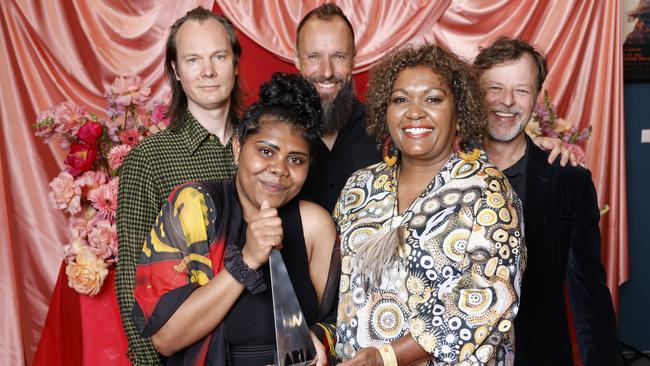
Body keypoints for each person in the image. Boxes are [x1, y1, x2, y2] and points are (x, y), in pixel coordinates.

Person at [334, 44, 526, 365]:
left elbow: (485, 300)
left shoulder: (488, 193)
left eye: (433, 99)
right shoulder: (359, 187)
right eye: (400, 99)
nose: (414, 111)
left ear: (460, 112)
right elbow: (339, 292)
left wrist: (385, 357)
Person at [131, 73, 337, 365]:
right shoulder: (195, 206)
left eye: (296, 159)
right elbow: (165, 339)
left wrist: (317, 337)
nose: (279, 169)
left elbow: (338, 320)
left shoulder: (314, 225)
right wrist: (247, 260)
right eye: (266, 151)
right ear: (239, 148)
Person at [473, 37, 620, 366]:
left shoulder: (568, 181)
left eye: (521, 90)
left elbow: (590, 298)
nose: (507, 101)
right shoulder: (444, 174)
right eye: (495, 88)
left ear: (536, 97)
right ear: (476, 93)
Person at [116, 7, 242, 365]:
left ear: (235, 62)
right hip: (187, 350)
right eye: (193, 59)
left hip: (259, 345)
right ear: (175, 70)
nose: (207, 71)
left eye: (219, 56)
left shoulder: (264, 147)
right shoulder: (148, 160)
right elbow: (131, 280)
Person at [294, 3, 382, 213]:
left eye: (339, 56)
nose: (326, 72)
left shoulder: (383, 129)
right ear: (297, 59)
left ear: (354, 58)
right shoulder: (275, 131)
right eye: (314, 56)